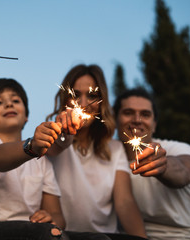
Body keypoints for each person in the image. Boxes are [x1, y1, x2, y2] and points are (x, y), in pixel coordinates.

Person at [0, 78, 109, 240]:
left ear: (26, 117)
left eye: (15, 100)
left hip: (31, 232)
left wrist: (49, 218)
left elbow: (57, 216)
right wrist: (32, 146)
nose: (9, 104)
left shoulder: (42, 161)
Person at [46, 64, 147, 240]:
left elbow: (124, 202)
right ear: (65, 99)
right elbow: (57, 146)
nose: (83, 104)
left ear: (102, 103)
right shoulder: (52, 140)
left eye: (92, 96)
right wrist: (64, 131)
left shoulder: (115, 149)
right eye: (75, 95)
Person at [113, 87, 190, 240]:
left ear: (155, 124)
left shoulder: (177, 149)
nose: (137, 120)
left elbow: (185, 171)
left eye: (145, 114)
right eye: (128, 112)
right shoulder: (108, 157)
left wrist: (163, 166)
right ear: (115, 120)